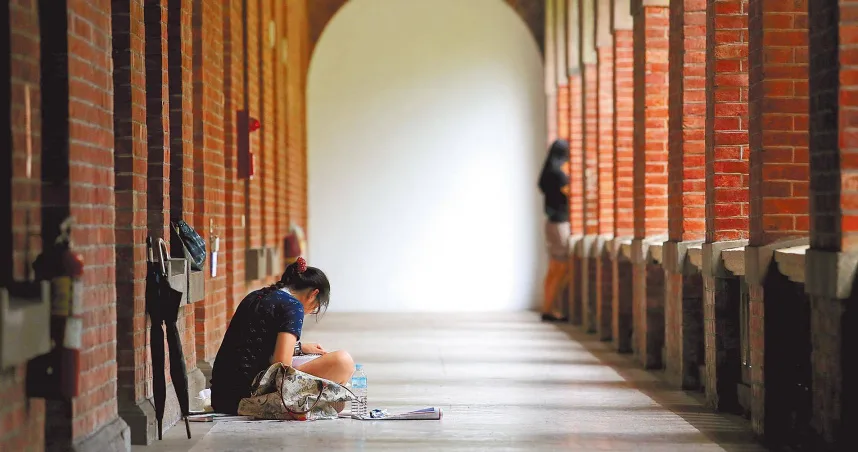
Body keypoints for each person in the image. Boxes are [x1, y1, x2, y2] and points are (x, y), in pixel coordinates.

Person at [209, 257, 355, 414]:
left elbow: (256, 345)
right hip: (246, 398)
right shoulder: (293, 306)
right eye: (316, 307)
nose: (311, 311)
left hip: (221, 397)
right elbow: (281, 367)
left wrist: (300, 348)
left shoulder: (256, 295)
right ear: (313, 294)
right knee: (343, 362)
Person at [538, 139, 571, 322]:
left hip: (551, 223)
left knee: (553, 268)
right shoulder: (558, 175)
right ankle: (549, 308)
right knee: (560, 268)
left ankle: (548, 306)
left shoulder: (547, 174)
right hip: (560, 225)